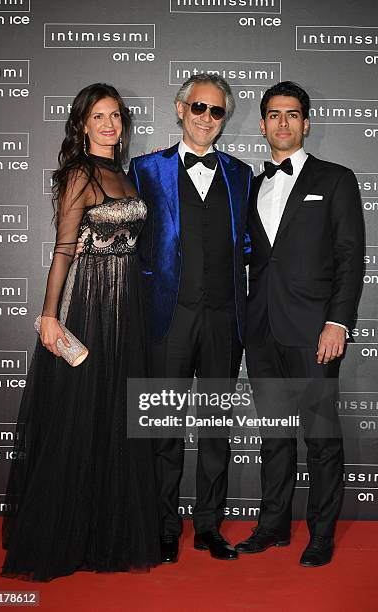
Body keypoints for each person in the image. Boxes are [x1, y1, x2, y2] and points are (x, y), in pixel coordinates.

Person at [1, 83, 161, 580]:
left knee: (117, 419)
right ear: (83, 125)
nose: (109, 124)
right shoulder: (79, 174)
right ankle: (65, 535)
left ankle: (107, 532)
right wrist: (50, 317)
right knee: (81, 415)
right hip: (89, 302)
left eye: (115, 115)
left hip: (126, 305)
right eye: (98, 116)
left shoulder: (127, 175)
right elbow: (64, 250)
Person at [235, 81, 364, 567]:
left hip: (314, 332)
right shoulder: (252, 185)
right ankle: (272, 527)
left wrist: (338, 322)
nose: (282, 123)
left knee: (322, 438)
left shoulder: (336, 179)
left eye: (292, 115)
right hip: (262, 330)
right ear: (264, 123)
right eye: (273, 114)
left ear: (306, 123)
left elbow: (351, 258)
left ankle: (322, 534)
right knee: (274, 435)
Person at [128, 74, 253, 563]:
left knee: (217, 427)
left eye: (216, 111)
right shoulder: (144, 169)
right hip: (168, 317)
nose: (206, 117)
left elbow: (253, 246)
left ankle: (208, 526)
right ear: (180, 110)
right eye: (198, 107)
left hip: (225, 318)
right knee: (164, 426)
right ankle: (163, 524)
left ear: (224, 119)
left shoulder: (241, 174)